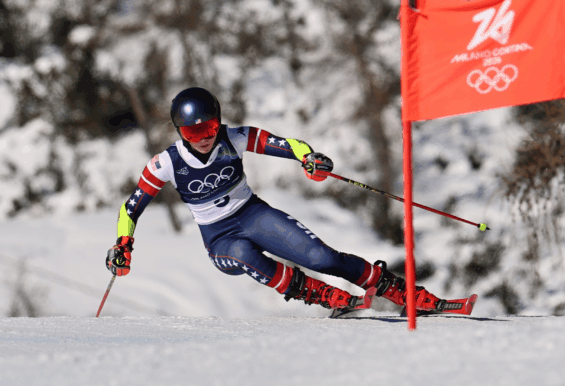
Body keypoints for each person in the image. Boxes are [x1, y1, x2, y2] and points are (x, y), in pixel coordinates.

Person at [106, 87, 446, 311]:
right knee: (244, 253)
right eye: (193, 133)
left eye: (209, 128)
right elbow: (131, 207)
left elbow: (287, 145)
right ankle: (324, 295)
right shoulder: (166, 163)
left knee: (322, 256)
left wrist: (309, 158)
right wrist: (123, 244)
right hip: (220, 238)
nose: (204, 138)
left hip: (254, 215)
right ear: (179, 132)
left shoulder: (233, 138)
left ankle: (407, 294)